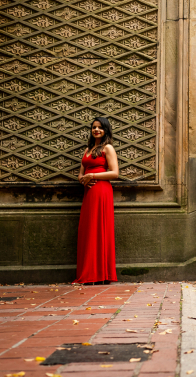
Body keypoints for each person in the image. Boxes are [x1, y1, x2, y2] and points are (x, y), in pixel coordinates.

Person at [73, 117, 120, 285]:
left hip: (101, 191)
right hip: (89, 192)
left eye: (100, 127)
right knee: (89, 229)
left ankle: (101, 273)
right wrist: (82, 178)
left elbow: (115, 173)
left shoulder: (108, 148)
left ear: (106, 130)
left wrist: (93, 176)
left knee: (100, 228)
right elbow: (81, 173)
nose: (96, 130)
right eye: (94, 127)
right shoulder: (88, 149)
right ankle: (90, 272)